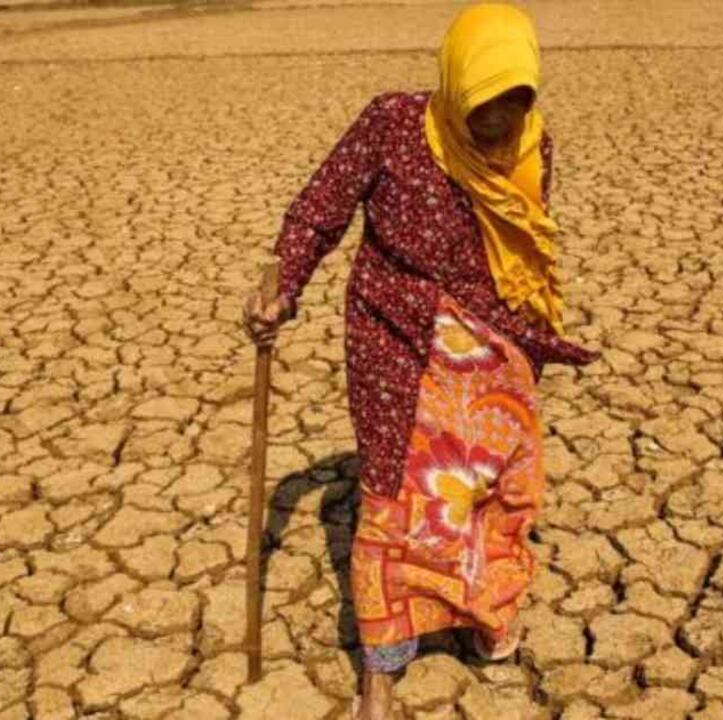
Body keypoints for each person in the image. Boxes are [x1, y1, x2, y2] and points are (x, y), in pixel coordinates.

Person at [242, 3, 599, 718]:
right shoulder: (391, 125)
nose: (498, 129)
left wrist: (526, 343)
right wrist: (281, 283)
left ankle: (487, 615)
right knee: (393, 503)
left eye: (514, 107)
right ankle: (382, 666)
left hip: (492, 346)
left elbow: (520, 250)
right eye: (484, 113)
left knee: (502, 492)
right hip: (394, 343)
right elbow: (321, 208)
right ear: (456, 86)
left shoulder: (534, 145)